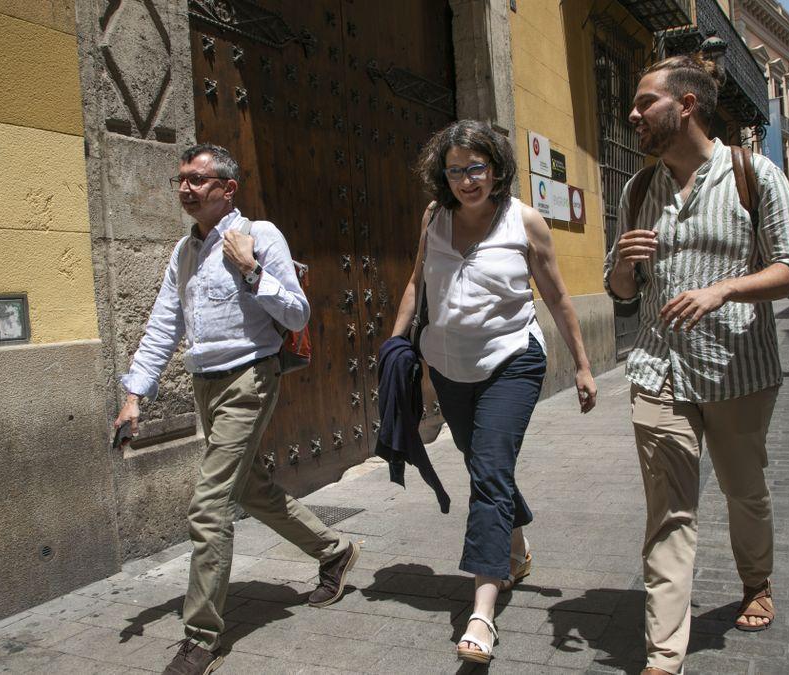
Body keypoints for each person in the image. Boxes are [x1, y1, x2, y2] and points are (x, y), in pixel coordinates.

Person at [603, 53, 789, 675]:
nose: (633, 114)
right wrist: (620, 266)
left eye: (646, 103)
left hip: (737, 370)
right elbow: (621, 294)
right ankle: (665, 654)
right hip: (656, 370)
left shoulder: (755, 174)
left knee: (745, 490)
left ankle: (756, 581)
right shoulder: (637, 188)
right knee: (668, 511)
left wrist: (724, 289)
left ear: (686, 106)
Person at [115, 144, 359, 675]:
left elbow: (296, 313)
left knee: (209, 504)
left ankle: (201, 636)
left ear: (228, 189)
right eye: (181, 179)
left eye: (198, 180)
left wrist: (251, 269)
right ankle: (333, 550)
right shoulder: (182, 254)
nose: (186, 188)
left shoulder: (260, 236)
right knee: (246, 486)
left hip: (250, 377)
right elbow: (163, 326)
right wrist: (136, 394)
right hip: (206, 384)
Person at [390, 119, 598, 665]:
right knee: (488, 466)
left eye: (475, 167)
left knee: (486, 472)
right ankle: (515, 540)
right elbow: (416, 282)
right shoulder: (434, 219)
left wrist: (582, 365)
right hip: (449, 366)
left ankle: (481, 612)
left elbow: (556, 295)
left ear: (496, 167)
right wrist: (395, 345)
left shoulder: (523, 221)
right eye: (455, 170)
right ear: (442, 174)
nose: (466, 180)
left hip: (512, 361)